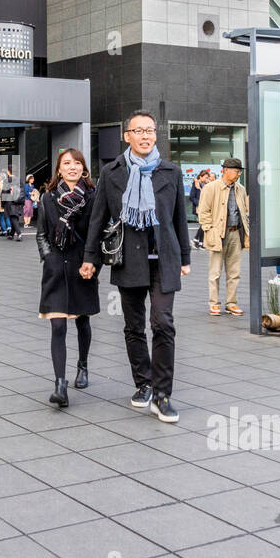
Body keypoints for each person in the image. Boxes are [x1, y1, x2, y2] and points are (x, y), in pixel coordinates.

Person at [82, 110, 191, 423]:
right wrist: (91, 259)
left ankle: (162, 394)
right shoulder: (112, 172)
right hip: (128, 258)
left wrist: (184, 257)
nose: (145, 136)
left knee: (163, 323)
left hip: (164, 260)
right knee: (133, 327)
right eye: (139, 130)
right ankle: (143, 383)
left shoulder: (170, 171)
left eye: (150, 130)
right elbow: (98, 218)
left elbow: (179, 219)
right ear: (126, 135)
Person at [37, 149, 99, 408]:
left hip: (82, 266)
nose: (72, 167)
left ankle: (82, 366)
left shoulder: (93, 197)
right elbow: (41, 233)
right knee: (58, 326)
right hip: (55, 269)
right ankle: (60, 384)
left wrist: (92, 262)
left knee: (82, 321)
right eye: (66, 163)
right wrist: (48, 257)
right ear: (59, 170)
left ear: (83, 168)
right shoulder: (48, 197)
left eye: (76, 163)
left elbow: (98, 233)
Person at [197, 157, 250, 317]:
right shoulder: (211, 188)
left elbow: (244, 210)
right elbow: (203, 211)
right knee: (215, 272)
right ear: (225, 170)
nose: (239, 174)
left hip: (236, 233)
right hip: (218, 233)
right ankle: (214, 303)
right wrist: (209, 229)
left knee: (234, 272)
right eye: (236, 170)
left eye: (240, 171)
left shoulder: (240, 188)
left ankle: (231, 303)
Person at [189, 170, 213, 250]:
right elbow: (191, 197)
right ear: (200, 176)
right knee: (204, 224)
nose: (206, 179)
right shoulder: (196, 184)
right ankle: (197, 240)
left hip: (204, 208)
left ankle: (199, 242)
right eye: (205, 177)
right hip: (198, 208)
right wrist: (200, 203)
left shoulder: (204, 185)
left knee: (204, 224)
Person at [2, 168, 25, 240]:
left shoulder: (7, 180)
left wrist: (2, 204)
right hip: (18, 201)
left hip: (10, 202)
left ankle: (19, 234)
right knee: (15, 217)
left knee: (13, 218)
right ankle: (11, 234)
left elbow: (4, 192)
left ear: (9, 172)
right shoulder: (19, 180)